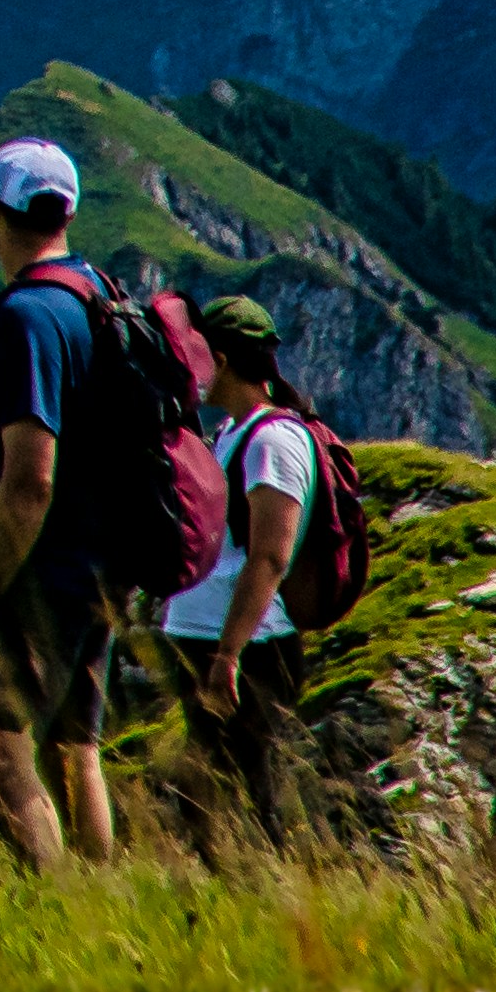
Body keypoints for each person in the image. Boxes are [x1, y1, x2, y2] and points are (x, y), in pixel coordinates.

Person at [0, 134, 119, 871]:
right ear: (68, 213)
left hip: (49, 569)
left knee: (0, 742)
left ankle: (52, 902)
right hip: (104, 559)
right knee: (75, 747)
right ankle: (101, 900)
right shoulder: (97, 293)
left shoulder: (29, 317)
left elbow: (31, 480)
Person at [154, 291, 317, 847]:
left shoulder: (273, 441)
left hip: (247, 647)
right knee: (207, 789)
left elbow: (270, 556)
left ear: (220, 360)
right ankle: (232, 880)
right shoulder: (232, 433)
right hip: (205, 636)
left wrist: (229, 654)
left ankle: (262, 877)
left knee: (243, 790)